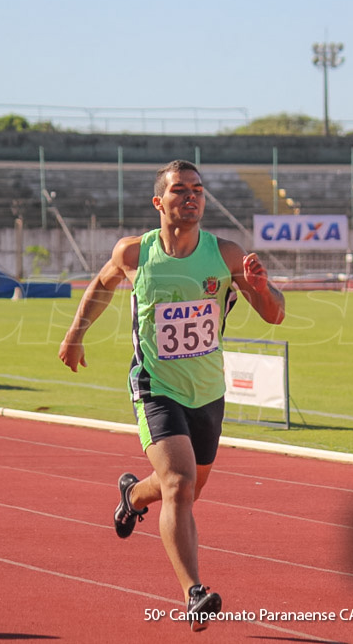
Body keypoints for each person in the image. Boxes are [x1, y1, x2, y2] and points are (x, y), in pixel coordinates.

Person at [58, 159, 285, 631]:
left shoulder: (224, 255)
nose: (192, 197)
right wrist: (75, 333)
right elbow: (100, 286)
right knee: (180, 484)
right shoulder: (135, 254)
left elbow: (275, 315)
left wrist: (262, 289)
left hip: (207, 391)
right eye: (181, 190)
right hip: (155, 386)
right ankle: (193, 593)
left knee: (185, 489)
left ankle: (133, 495)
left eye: (198, 189)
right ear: (159, 202)